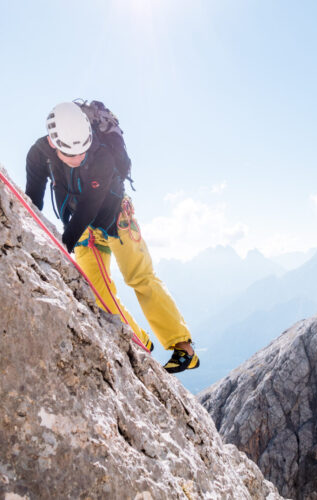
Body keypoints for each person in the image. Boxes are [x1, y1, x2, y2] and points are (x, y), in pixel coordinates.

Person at [25, 100, 199, 373]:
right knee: (98, 291)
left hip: (117, 218)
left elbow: (90, 205)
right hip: (82, 229)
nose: (79, 158)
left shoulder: (102, 154)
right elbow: (33, 198)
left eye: (82, 150)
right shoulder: (38, 154)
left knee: (139, 276)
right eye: (71, 155)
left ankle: (183, 347)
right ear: (52, 143)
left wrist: (62, 244)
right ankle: (139, 342)